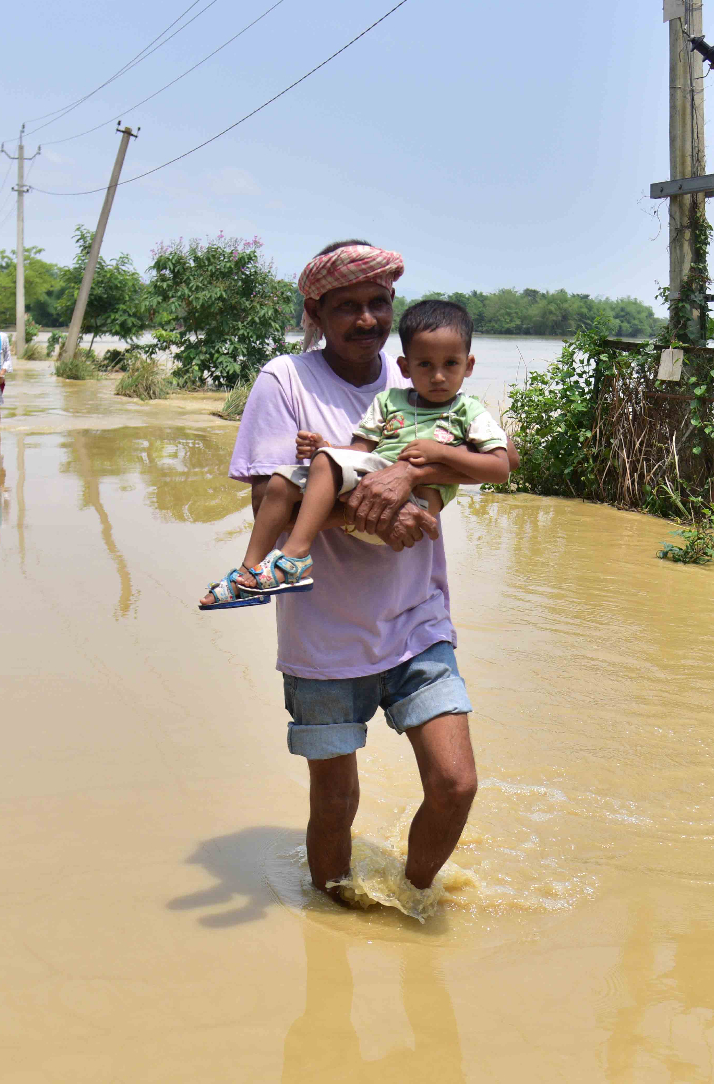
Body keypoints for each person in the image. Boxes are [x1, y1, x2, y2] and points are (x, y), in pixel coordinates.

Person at [222, 240, 513, 904]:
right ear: (314, 313)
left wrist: (410, 470)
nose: (365, 318)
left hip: (417, 619)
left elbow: (493, 457)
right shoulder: (285, 382)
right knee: (334, 802)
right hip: (323, 630)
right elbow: (269, 500)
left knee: (455, 783)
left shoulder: (421, 379)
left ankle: (411, 896)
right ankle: (333, 920)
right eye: (345, 306)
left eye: (377, 302)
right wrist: (374, 508)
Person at [204, 298, 508, 605]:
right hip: (372, 492)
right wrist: (327, 449)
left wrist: (440, 454)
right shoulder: (391, 401)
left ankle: (294, 556)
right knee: (282, 483)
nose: (438, 376)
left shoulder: (468, 411)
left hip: (415, 510)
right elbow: (360, 450)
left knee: (325, 467)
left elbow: (501, 467)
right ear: (405, 367)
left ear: (469, 365)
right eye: (425, 365)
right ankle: (247, 573)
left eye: (451, 364)